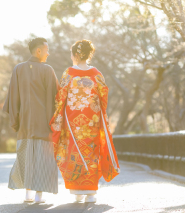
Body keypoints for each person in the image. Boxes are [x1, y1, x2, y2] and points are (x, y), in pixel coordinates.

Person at [49, 39, 120, 203]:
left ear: (74, 55)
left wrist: (59, 113)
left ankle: (77, 191)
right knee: (91, 153)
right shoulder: (96, 73)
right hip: (92, 120)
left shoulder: (69, 73)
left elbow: (61, 97)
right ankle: (91, 192)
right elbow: (103, 96)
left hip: (72, 121)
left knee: (73, 152)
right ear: (89, 54)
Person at [3, 37, 59, 203]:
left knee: (26, 157)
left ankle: (28, 194)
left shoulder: (18, 69)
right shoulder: (47, 70)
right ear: (39, 50)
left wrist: (15, 120)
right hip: (44, 123)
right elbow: (57, 97)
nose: (48, 53)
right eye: (46, 50)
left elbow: (13, 98)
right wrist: (55, 121)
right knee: (42, 158)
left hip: (25, 123)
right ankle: (38, 195)